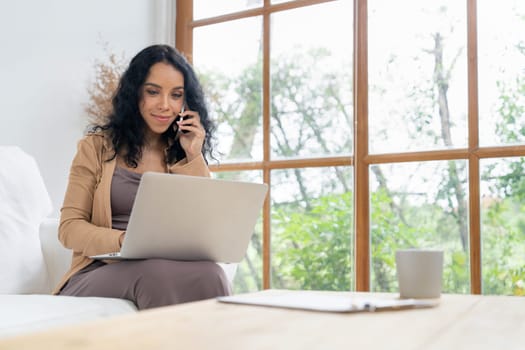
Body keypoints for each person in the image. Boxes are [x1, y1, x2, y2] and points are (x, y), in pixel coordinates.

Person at [54, 44, 231, 310]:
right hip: (96, 271)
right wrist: (124, 240)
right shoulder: (96, 147)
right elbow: (68, 229)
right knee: (155, 274)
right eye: (153, 92)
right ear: (135, 92)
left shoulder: (182, 152)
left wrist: (193, 155)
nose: (164, 105)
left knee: (212, 273)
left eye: (176, 95)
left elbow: (203, 227)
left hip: (162, 264)